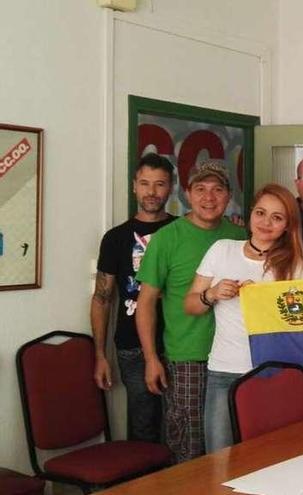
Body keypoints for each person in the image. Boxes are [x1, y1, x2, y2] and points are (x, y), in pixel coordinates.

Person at [136, 159, 246, 463]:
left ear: (228, 195)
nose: (209, 198)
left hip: (237, 358)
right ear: (187, 193)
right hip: (188, 357)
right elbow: (146, 302)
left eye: (217, 190)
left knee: (235, 446)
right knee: (188, 447)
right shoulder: (166, 239)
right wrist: (150, 359)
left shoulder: (241, 237)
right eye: (200, 189)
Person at [183, 183, 303, 453]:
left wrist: (267, 298)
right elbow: (190, 304)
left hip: (272, 372)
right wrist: (212, 294)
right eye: (260, 213)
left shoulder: (293, 264)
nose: (266, 222)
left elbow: (300, 320)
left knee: (269, 458)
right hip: (225, 370)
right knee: (219, 458)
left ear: (287, 225)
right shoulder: (222, 248)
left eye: (277, 217)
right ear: (250, 215)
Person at [91, 152, 176, 443]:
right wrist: (100, 355)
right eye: (145, 183)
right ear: (134, 186)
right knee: (143, 428)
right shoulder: (115, 238)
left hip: (180, 343)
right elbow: (102, 298)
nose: (151, 192)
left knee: (182, 428)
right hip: (131, 347)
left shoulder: (182, 231)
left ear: (171, 187)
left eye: (160, 184)